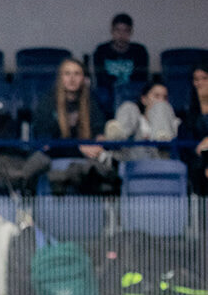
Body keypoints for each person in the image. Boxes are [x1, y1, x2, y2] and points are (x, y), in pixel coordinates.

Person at [30, 58, 116, 194]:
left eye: (77, 74)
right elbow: (46, 143)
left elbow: (99, 130)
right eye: (67, 73)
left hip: (88, 156)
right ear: (60, 78)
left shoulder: (91, 102)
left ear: (83, 78)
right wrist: (79, 147)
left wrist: (100, 141)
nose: (72, 78)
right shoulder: (46, 103)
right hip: (54, 156)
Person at [104, 81, 180, 160]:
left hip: (160, 157)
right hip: (132, 158)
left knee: (161, 107)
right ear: (144, 99)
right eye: (156, 96)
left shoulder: (174, 120)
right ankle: (118, 137)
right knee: (129, 106)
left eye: (165, 97)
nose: (161, 100)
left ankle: (162, 138)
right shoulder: (135, 116)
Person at [92, 13, 150, 113]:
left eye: (125, 31)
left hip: (132, 91)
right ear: (112, 31)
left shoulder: (140, 51)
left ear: (131, 32)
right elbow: (100, 78)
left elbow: (141, 78)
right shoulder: (101, 51)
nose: (121, 35)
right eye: (117, 30)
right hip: (108, 92)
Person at [184, 62, 208, 194]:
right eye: (196, 79)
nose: (200, 83)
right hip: (198, 160)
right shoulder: (189, 112)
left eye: (204, 78)